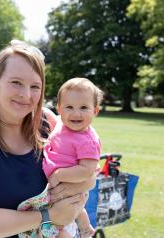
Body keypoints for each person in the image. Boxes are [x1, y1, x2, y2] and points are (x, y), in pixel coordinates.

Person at [0, 39, 95, 238]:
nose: (26, 95)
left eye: (35, 86)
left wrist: (83, 182)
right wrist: (49, 215)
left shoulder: (48, 122)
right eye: (16, 82)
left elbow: (89, 174)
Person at [43, 78, 103, 238]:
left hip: (68, 190)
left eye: (84, 107)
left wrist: (58, 175)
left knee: (55, 228)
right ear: (59, 109)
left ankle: (82, 229)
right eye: (69, 107)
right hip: (64, 192)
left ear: (95, 111)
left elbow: (87, 170)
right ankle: (85, 228)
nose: (76, 113)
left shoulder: (87, 140)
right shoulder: (61, 125)